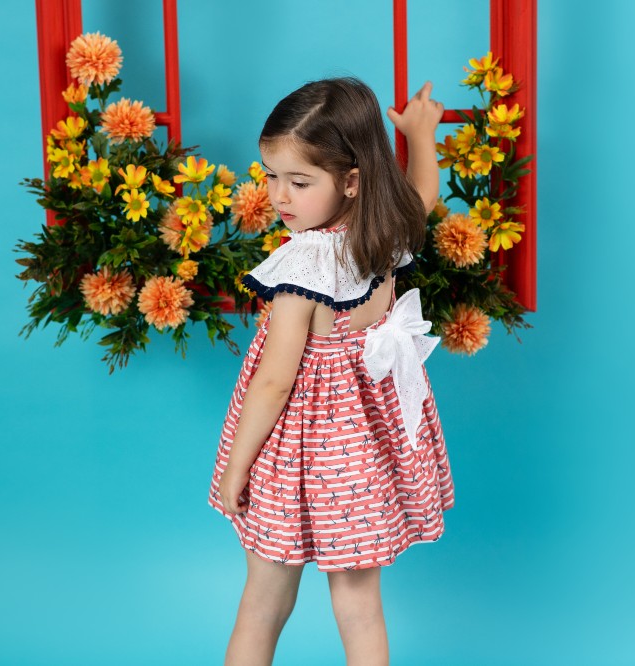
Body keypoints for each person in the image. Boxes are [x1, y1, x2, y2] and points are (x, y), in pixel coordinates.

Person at [208, 76, 454, 666]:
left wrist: (236, 468)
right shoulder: (387, 227)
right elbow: (423, 192)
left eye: (299, 181)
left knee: (264, 601)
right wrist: (422, 135)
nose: (279, 196)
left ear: (350, 180)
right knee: (360, 603)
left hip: (297, 450)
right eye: (270, 175)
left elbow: (274, 382)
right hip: (362, 451)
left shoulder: (305, 262)